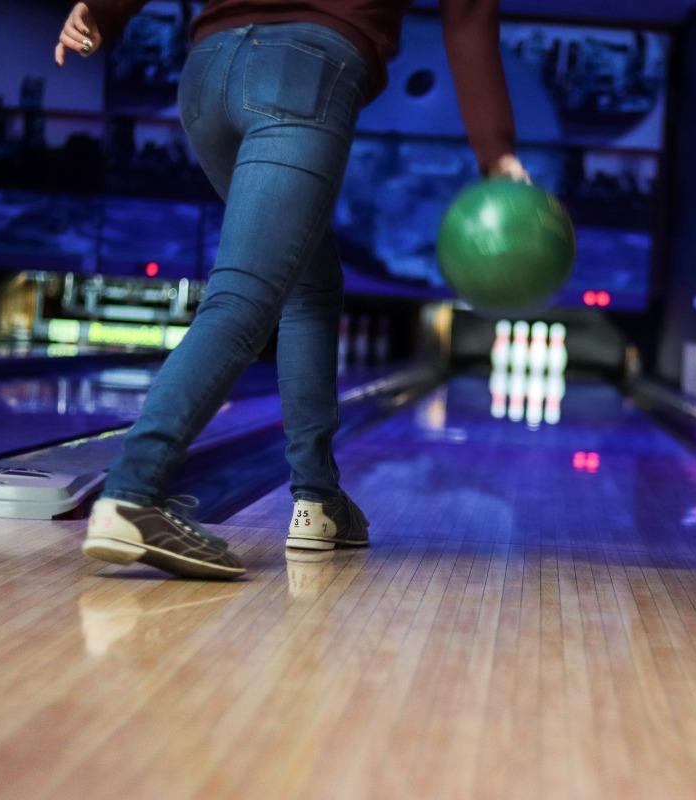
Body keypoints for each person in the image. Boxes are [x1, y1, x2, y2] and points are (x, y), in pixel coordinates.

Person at [56, 0, 528, 579]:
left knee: (308, 282)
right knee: (245, 294)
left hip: (209, 71)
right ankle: (133, 492)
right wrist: (497, 148)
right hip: (304, 71)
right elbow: (468, 12)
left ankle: (319, 501)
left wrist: (106, 9)